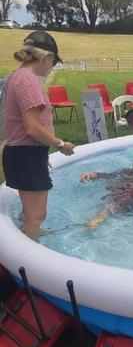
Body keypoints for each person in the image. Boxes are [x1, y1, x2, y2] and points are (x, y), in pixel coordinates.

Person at [1, 31, 75, 241]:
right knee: (36, 216)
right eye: (53, 61)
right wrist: (60, 144)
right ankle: (32, 249)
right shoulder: (29, 82)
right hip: (26, 155)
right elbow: (32, 128)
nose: (52, 67)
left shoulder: (17, 76)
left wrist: (41, 155)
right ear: (45, 57)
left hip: (24, 153)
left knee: (28, 213)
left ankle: (26, 234)